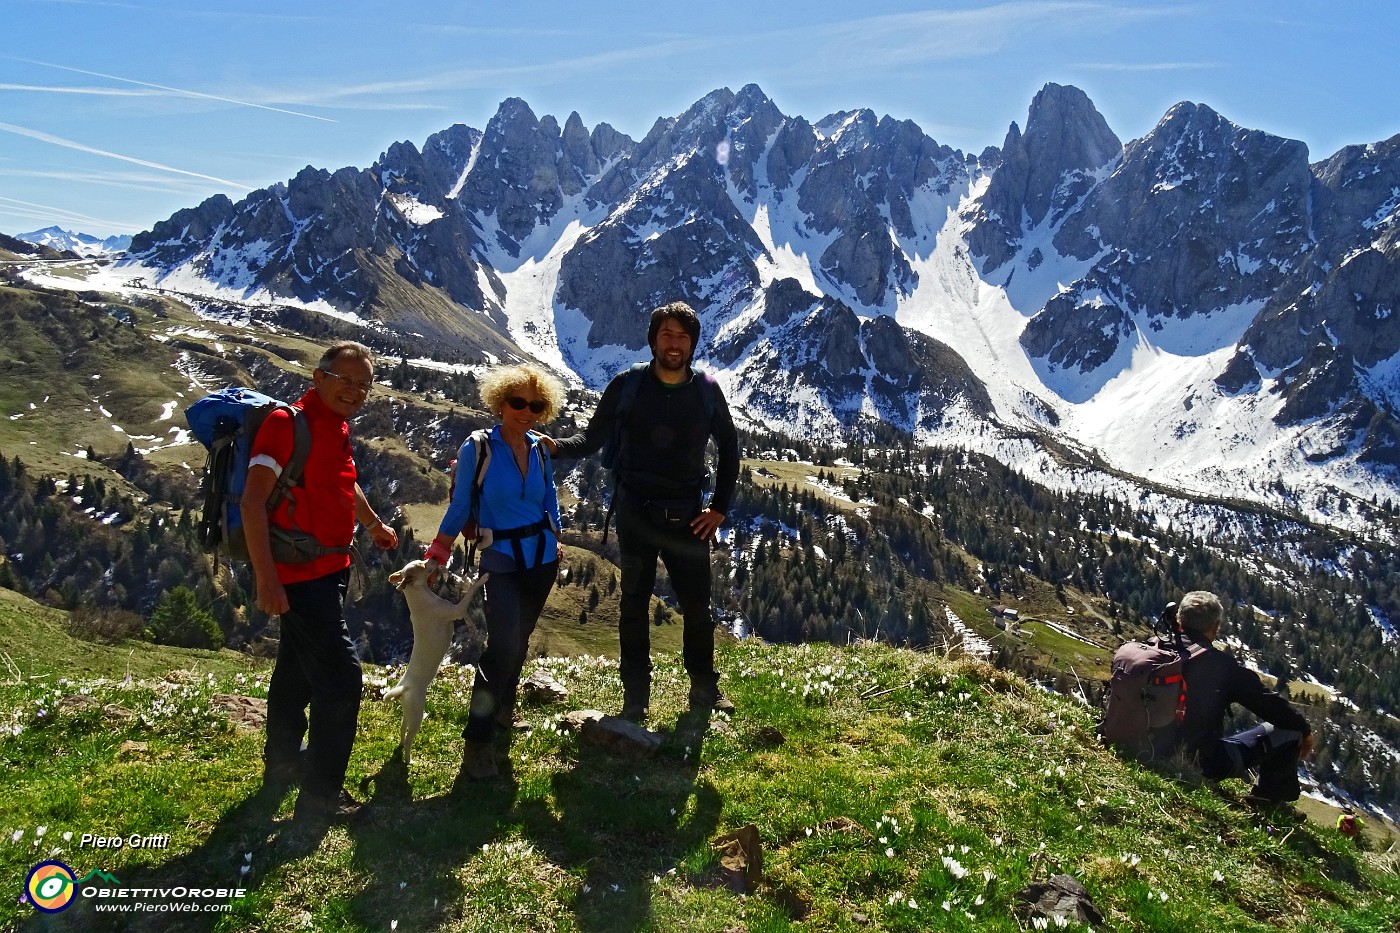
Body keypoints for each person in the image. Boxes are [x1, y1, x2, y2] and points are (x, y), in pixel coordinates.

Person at [543, 301, 740, 721]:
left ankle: (705, 687)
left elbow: (730, 447)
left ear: (692, 344)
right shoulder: (628, 385)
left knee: (698, 606)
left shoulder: (706, 389)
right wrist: (557, 447)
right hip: (635, 514)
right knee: (633, 604)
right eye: (666, 334)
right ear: (653, 340)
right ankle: (636, 697)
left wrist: (720, 508)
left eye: (682, 337)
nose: (674, 343)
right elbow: (594, 438)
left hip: (688, 516)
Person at [243, 341, 399, 824]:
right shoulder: (285, 425)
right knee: (341, 679)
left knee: (294, 669)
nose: (354, 391)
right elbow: (252, 503)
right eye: (345, 380)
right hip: (299, 574)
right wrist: (267, 580)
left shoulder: (334, 428)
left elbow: (341, 482)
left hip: (328, 569)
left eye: (363, 384)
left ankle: (282, 764)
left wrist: (372, 524)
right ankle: (320, 799)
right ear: (318, 376)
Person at [425, 363, 565, 781]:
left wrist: (556, 535)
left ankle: (503, 710)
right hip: (500, 558)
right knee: (501, 646)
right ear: (499, 402)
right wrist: (440, 547)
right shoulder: (479, 447)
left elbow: (550, 496)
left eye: (536, 405)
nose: (526, 412)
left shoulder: (540, 448)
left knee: (518, 641)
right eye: (517, 402)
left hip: (541, 558)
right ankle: (477, 741)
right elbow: (461, 504)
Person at [1172, 591, 1314, 806]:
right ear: (1215, 627)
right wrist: (1305, 731)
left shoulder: (1151, 647)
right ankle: (1266, 801)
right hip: (1196, 762)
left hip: (1141, 743)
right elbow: (1271, 706)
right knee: (1289, 732)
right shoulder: (1221, 667)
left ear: (1178, 620)